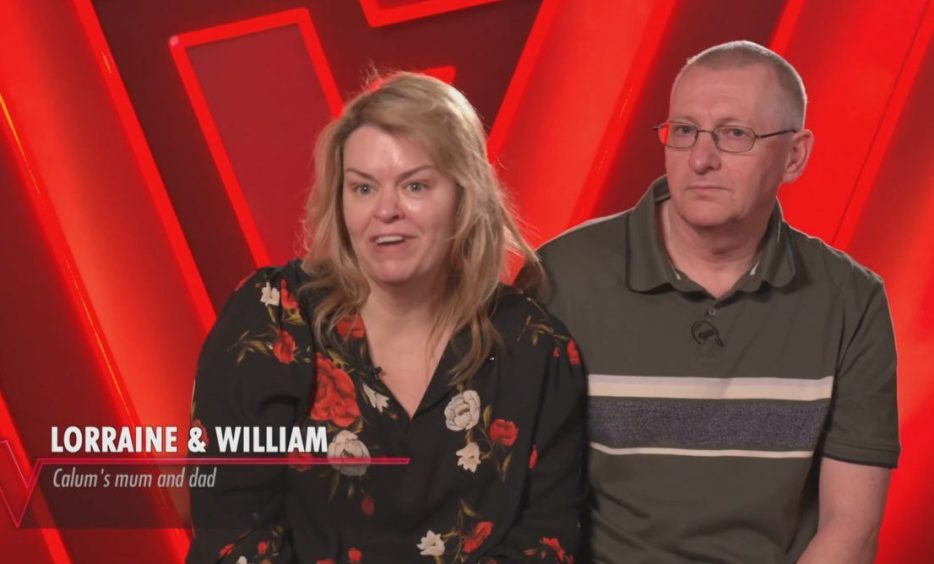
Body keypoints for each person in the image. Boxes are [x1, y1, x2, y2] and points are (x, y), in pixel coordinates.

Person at [187, 72, 585, 563]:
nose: (386, 211)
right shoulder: (272, 317)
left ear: (464, 197)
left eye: (415, 185)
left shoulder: (534, 345)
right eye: (363, 188)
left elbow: (549, 542)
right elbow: (233, 537)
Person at [534, 41, 899, 563]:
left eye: (734, 135)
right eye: (684, 131)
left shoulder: (851, 300)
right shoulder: (561, 278)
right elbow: (516, 501)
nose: (701, 159)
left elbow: (851, 527)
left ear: (794, 155)